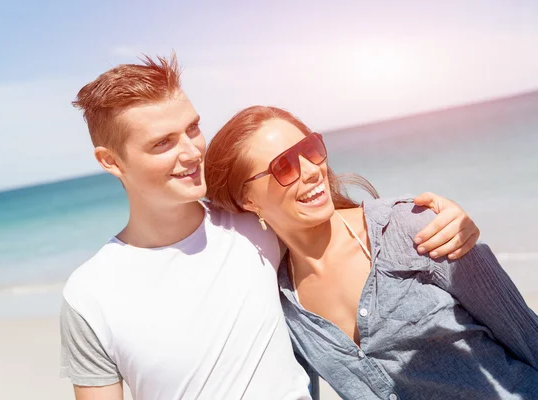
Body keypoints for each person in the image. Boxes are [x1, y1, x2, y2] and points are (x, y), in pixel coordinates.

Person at [59, 55, 480, 400]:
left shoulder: (258, 229)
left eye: (192, 129)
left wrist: (443, 219)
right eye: (162, 143)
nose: (191, 152)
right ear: (110, 161)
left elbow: (351, 228)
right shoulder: (90, 294)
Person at [204, 105, 538, 400]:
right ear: (247, 200)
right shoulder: (283, 303)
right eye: (284, 166)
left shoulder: (414, 228)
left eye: (309, 149)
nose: (310, 170)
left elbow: (526, 335)